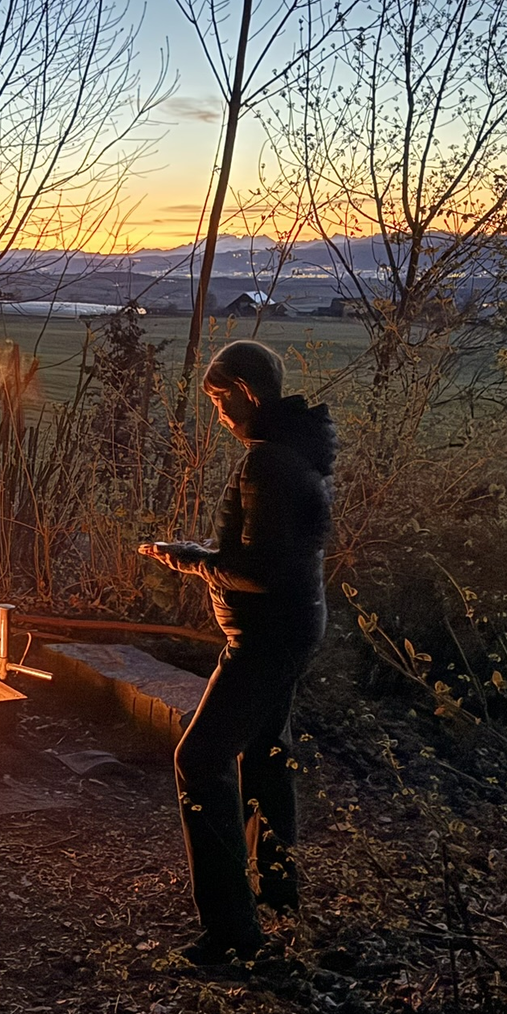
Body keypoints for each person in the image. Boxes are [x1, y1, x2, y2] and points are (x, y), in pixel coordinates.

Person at [138, 339, 336, 966]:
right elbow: (264, 554)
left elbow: (256, 571)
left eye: (222, 398)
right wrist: (200, 555)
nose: (219, 412)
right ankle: (276, 897)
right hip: (292, 628)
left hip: (265, 638)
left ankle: (230, 931)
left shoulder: (266, 464)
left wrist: (192, 562)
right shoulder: (293, 453)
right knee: (265, 753)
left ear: (248, 393)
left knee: (198, 760)